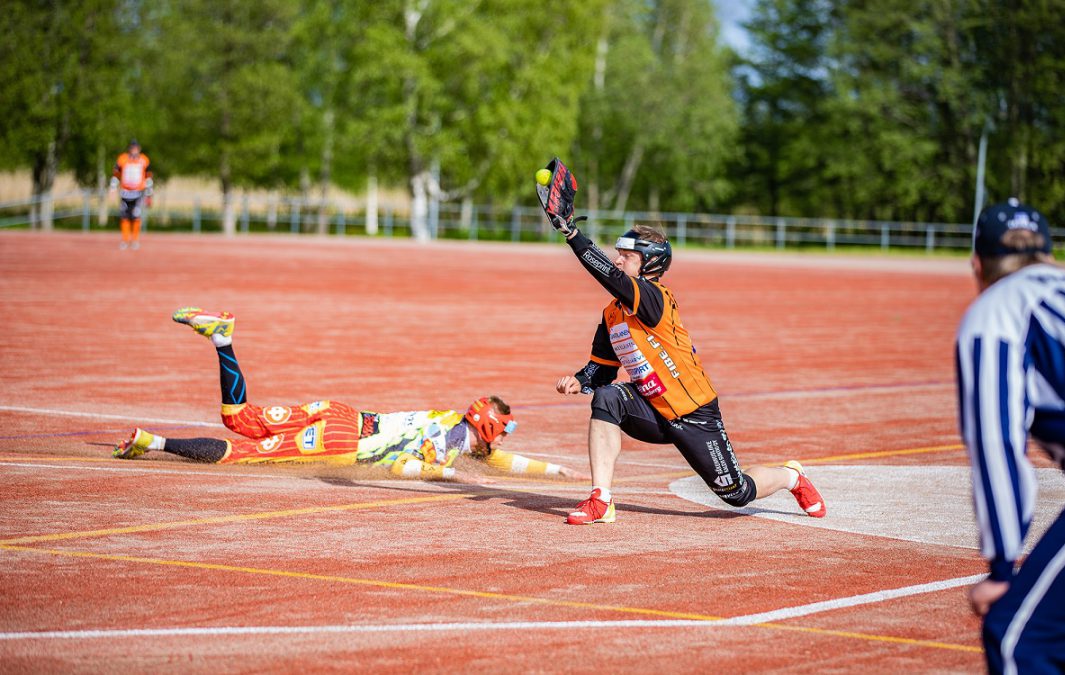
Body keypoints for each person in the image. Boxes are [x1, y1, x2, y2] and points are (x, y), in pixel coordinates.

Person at [535, 157, 825, 525]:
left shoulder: (656, 297)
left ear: (649, 265)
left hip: (694, 414)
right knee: (608, 397)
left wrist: (571, 233)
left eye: (628, 256)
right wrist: (581, 380)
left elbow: (611, 278)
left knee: (736, 493)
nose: (619, 260)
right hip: (651, 410)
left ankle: (791, 476)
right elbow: (602, 370)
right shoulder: (612, 315)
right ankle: (601, 499)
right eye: (619, 254)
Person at [113, 307, 583, 483]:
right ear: (485, 427)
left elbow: (499, 461)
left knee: (240, 417)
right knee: (243, 454)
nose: (501, 443)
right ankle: (152, 443)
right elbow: (404, 465)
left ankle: (222, 338)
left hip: (338, 411)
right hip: (341, 443)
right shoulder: (453, 444)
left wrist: (555, 470)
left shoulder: (455, 425)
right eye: (500, 432)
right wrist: (444, 476)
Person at [955, 198, 1065, 674]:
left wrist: (1002, 568)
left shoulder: (996, 313)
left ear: (977, 265)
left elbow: (997, 448)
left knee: (1017, 642)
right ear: (1048, 254)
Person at [109, 139, 153, 250]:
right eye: (132, 148)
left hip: (138, 193)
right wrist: (113, 188)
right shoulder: (122, 159)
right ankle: (125, 240)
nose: (134, 150)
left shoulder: (144, 160)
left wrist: (149, 194)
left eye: (136, 148)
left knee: (136, 216)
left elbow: (148, 178)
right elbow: (116, 174)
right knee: (124, 217)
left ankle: (135, 240)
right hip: (125, 193)